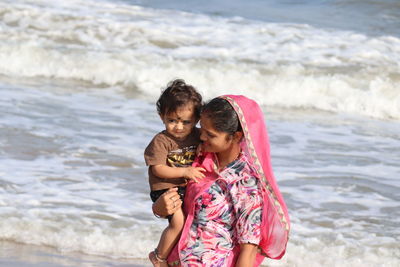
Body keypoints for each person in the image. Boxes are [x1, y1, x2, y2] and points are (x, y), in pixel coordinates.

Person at [152, 95, 290, 266]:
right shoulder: (197, 158)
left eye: (210, 134)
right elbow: (175, 205)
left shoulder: (245, 183)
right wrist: (159, 208)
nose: (201, 137)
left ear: (236, 136)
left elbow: (248, 251)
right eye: (201, 129)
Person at [144, 79, 206, 267]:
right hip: (165, 188)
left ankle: (178, 256)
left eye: (186, 122)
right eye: (172, 120)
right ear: (162, 116)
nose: (178, 127)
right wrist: (185, 171)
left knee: (191, 223)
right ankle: (159, 256)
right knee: (178, 223)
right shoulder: (161, 141)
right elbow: (158, 168)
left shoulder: (197, 135)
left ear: (196, 120)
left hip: (183, 187)